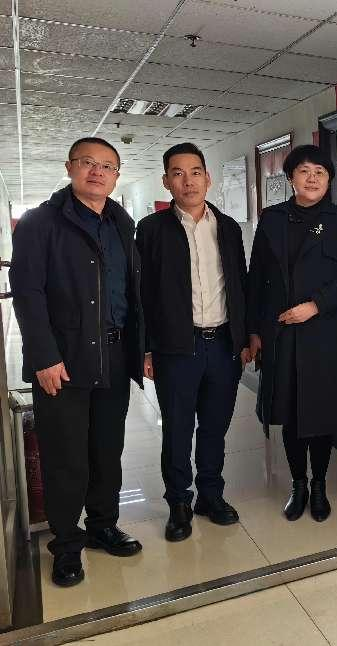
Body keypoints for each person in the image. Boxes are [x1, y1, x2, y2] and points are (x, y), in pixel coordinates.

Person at [11, 137, 146, 587]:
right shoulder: (40, 223)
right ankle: (67, 545)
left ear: (116, 176)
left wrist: (141, 349)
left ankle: (103, 525)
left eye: (107, 166)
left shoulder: (121, 222)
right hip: (64, 359)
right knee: (66, 456)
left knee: (107, 450)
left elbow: (131, 292)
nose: (97, 171)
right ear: (70, 167)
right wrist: (44, 356)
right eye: (88, 162)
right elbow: (27, 293)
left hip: (115, 353)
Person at [135, 142, 250, 542]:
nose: (188, 181)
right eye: (178, 173)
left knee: (215, 427)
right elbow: (142, 293)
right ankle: (179, 504)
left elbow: (239, 285)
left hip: (223, 345)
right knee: (178, 429)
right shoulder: (151, 230)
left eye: (195, 172)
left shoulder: (229, 227)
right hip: (176, 348)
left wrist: (244, 337)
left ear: (208, 178)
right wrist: (146, 347)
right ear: (167, 181)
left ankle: (211, 496)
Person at [246, 144, 337, 522]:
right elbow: (256, 277)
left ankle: (320, 484)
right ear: (291, 177)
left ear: (329, 180)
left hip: (325, 332)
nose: (312, 179)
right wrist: (254, 331)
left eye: (320, 173)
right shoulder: (272, 219)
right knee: (291, 412)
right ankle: (299, 484)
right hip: (281, 331)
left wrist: (315, 305)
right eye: (304, 171)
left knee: (321, 412)